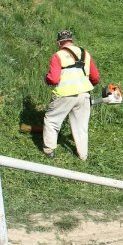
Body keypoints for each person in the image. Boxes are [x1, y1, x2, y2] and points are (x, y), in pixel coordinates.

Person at [42, 30, 100, 160]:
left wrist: (47, 78)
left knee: (52, 121)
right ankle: (83, 156)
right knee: (81, 126)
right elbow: (95, 77)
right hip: (84, 94)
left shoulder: (58, 56)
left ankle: (49, 151)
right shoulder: (85, 54)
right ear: (71, 40)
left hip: (64, 95)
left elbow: (54, 79)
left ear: (59, 42)